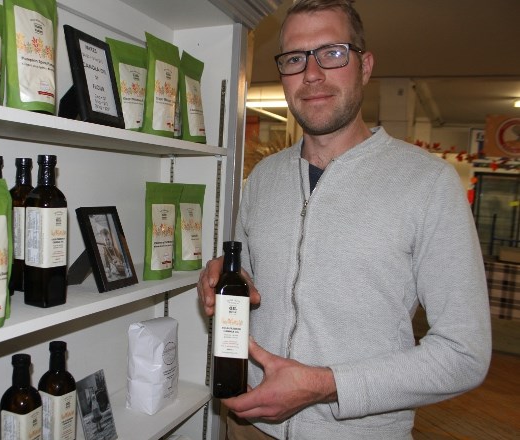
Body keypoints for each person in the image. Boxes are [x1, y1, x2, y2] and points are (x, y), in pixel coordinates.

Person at [198, 1, 492, 439]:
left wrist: (324, 385)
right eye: (295, 58)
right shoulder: (262, 178)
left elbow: (464, 352)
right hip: (248, 424)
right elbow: (253, 281)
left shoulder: (428, 184)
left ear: (365, 65)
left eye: (332, 52)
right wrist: (226, 278)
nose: (312, 74)